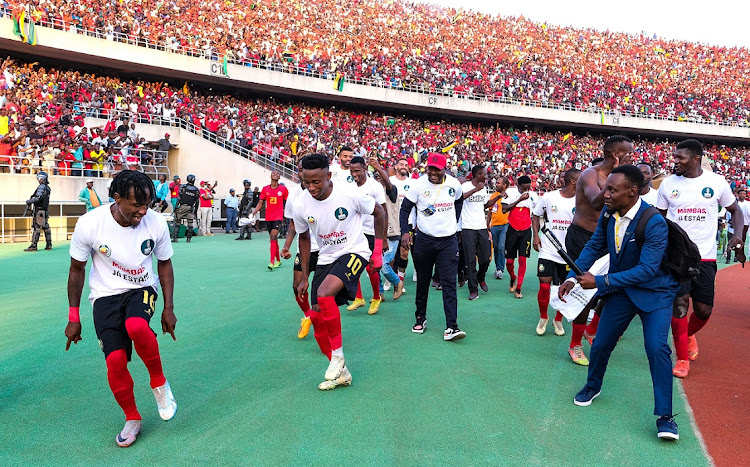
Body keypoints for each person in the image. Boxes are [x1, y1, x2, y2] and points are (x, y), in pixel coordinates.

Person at [559, 165, 680, 441]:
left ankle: (666, 416)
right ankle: (593, 386)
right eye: (605, 188)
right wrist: (572, 276)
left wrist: (599, 283)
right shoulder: (608, 213)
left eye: (612, 190)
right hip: (623, 292)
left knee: (656, 348)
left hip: (655, 292)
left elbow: (648, 270)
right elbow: (593, 246)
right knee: (600, 344)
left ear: (633, 192)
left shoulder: (653, 221)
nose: (606, 194)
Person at [65, 170, 178, 448]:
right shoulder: (90, 223)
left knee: (137, 326)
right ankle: (132, 418)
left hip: (142, 288)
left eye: (148, 203)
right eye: (136, 205)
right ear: (116, 198)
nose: (143, 210)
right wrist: (73, 316)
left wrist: (168, 307)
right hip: (104, 296)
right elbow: (77, 270)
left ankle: (159, 384)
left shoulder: (155, 223)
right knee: (115, 361)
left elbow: (164, 263)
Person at [292, 153, 385, 390]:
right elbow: (303, 238)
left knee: (324, 294)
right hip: (326, 257)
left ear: (328, 176)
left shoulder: (350, 193)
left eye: (317, 182)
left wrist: (377, 251)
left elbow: (380, 213)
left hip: (355, 251)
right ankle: (342, 373)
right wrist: (303, 275)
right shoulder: (300, 203)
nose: (311, 187)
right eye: (306, 182)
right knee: (315, 316)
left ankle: (338, 356)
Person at [656, 139, 744, 378]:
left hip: (705, 256)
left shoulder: (716, 182)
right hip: (677, 257)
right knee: (681, 304)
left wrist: (737, 235)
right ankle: (682, 358)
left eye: (680, 158)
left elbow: (735, 210)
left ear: (695, 159)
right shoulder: (667, 184)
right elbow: (659, 218)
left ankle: (688, 334)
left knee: (704, 311)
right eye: (674, 157)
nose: (675, 161)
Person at [565, 135, 634, 365]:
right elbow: (597, 201)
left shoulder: (621, 178)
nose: (631, 157)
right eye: (627, 154)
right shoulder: (590, 175)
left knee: (612, 287)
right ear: (615, 155)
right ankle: (575, 345)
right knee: (585, 290)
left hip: (608, 238)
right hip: (583, 238)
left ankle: (591, 330)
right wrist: (614, 177)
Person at [399, 153, 466, 341]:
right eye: (430, 168)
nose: (433, 172)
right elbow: (405, 209)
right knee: (423, 281)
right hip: (424, 240)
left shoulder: (454, 184)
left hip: (448, 241)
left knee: (449, 283)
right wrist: (406, 231)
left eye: (437, 169)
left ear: (444, 169)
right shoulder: (418, 185)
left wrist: (454, 223)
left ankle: (451, 326)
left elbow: (459, 203)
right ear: (426, 168)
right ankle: (420, 318)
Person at [532, 168, 580, 336]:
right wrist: (535, 236)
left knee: (564, 288)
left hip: (569, 252)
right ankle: (543, 317)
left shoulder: (581, 200)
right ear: (573, 181)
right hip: (549, 249)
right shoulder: (549, 197)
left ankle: (558, 319)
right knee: (544, 286)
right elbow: (535, 215)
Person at [281, 160, 320, 339]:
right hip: (304, 249)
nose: (302, 173)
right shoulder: (294, 196)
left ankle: (324, 328)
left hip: (326, 249)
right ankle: (308, 317)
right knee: (297, 286)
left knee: (321, 293)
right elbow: (292, 224)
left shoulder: (325, 191)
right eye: (300, 170)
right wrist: (287, 246)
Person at [346, 156, 388, 314]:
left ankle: (376, 297)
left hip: (372, 232)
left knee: (372, 268)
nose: (354, 174)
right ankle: (359, 298)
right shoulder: (350, 187)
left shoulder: (375, 187)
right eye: (352, 171)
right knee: (352, 266)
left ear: (365, 169)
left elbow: (383, 212)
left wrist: (383, 238)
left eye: (357, 171)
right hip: (354, 232)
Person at [460, 166, 504, 300]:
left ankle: (481, 277)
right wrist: (475, 190)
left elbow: (485, 205)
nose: (486, 176)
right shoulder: (465, 186)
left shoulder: (483, 188)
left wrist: (498, 197)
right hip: (467, 227)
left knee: (485, 258)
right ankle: (473, 290)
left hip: (481, 227)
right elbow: (459, 199)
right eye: (484, 174)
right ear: (476, 174)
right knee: (471, 260)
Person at [501, 175, 538, 299]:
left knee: (523, 260)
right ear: (518, 185)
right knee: (509, 262)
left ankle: (519, 288)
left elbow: (536, 215)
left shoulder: (534, 196)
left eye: (529, 188)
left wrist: (536, 233)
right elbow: (504, 209)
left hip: (526, 231)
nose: (527, 190)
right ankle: (513, 277)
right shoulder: (510, 192)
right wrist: (519, 200)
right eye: (525, 188)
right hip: (512, 230)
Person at [252, 171, 289, 270]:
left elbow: (288, 202)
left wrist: (289, 213)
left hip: (278, 218)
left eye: (277, 173)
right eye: (273, 173)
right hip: (269, 218)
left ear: (280, 177)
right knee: (274, 240)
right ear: (270, 176)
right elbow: (260, 203)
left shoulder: (283, 189)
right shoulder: (265, 189)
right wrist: (253, 213)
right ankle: (278, 260)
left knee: (273, 237)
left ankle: (271, 261)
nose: (275, 174)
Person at [387, 157, 412, 293]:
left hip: (407, 222)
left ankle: (400, 281)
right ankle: (390, 278)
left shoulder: (412, 183)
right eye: (401, 164)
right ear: (396, 167)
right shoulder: (390, 182)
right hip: (391, 222)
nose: (404, 166)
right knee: (390, 254)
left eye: (406, 165)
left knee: (404, 252)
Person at [24, 171, 52, 252]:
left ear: (44, 179)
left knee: (37, 227)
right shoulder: (47, 187)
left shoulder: (41, 187)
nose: (39, 179)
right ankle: (49, 244)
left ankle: (34, 245)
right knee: (46, 227)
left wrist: (29, 201)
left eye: (41, 178)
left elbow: (38, 198)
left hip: (39, 210)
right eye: (39, 178)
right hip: (44, 210)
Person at [488, 177, 510, 279]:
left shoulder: (508, 196)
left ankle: (501, 269)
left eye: (498, 183)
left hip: (505, 225)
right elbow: (490, 211)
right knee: (496, 247)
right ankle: (497, 268)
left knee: (501, 247)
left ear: (504, 185)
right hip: (494, 226)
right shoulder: (493, 196)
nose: (496, 184)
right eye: (496, 182)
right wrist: (487, 224)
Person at [172, 174, 200, 243]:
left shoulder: (183, 187)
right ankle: (188, 239)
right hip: (190, 207)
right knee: (190, 224)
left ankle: (175, 238)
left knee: (177, 222)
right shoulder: (196, 189)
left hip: (182, 207)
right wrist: (195, 211)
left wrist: (176, 207)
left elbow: (179, 198)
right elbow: (197, 201)